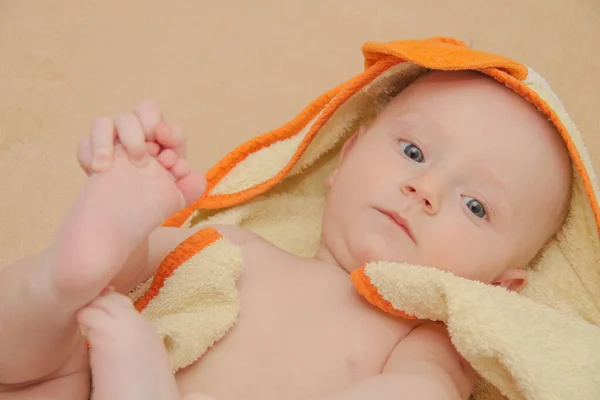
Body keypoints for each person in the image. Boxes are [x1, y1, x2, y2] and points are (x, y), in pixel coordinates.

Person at [0, 70, 572, 400]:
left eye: (475, 206)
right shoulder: (235, 248)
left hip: (146, 381)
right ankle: (56, 279)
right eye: (414, 152)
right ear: (345, 159)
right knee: (64, 342)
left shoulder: (422, 340)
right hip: (107, 381)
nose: (425, 189)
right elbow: (124, 283)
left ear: (501, 285)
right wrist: (122, 245)